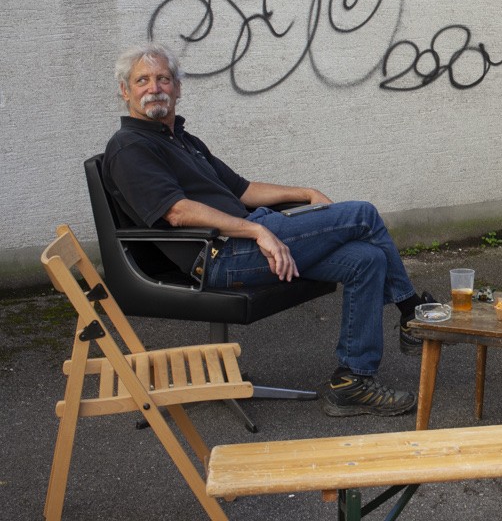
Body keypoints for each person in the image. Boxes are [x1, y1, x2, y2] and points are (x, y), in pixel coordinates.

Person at [103, 42, 435, 418]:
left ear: (177, 88)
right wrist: (255, 231)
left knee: (367, 258)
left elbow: (242, 190)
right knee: (362, 214)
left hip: (245, 239)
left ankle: (352, 383)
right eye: (142, 80)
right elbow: (177, 212)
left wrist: (304, 193)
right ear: (124, 91)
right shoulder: (130, 147)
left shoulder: (181, 140)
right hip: (219, 256)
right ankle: (413, 313)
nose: (154, 88)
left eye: (163, 79)